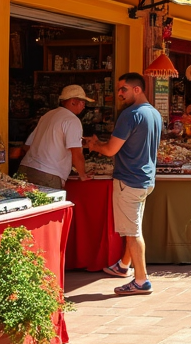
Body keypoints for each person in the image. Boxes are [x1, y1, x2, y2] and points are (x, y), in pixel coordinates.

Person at [86, 73, 162, 296]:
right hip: (145, 179)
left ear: (137, 89)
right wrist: (101, 143)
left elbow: (111, 150)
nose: (119, 93)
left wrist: (94, 146)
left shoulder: (130, 115)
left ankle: (141, 280)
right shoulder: (154, 114)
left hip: (128, 180)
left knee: (132, 231)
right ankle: (123, 266)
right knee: (133, 226)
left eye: (123, 89)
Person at [19, 84, 92, 188]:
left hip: (26, 169)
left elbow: (28, 146)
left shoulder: (48, 115)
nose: (84, 106)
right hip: (48, 175)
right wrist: (82, 174)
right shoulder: (72, 120)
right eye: (82, 102)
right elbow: (76, 152)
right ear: (73, 102)